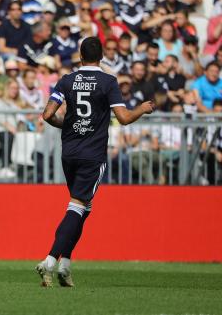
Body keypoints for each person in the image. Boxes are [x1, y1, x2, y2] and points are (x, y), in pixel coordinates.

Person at [35, 37, 154, 287]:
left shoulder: (67, 80)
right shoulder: (108, 81)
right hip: (92, 154)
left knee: (81, 208)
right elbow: (122, 117)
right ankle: (50, 260)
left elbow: (47, 115)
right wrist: (142, 109)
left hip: (69, 152)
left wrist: (66, 123)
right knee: (77, 206)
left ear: (80, 56)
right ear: (101, 57)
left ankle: (65, 266)